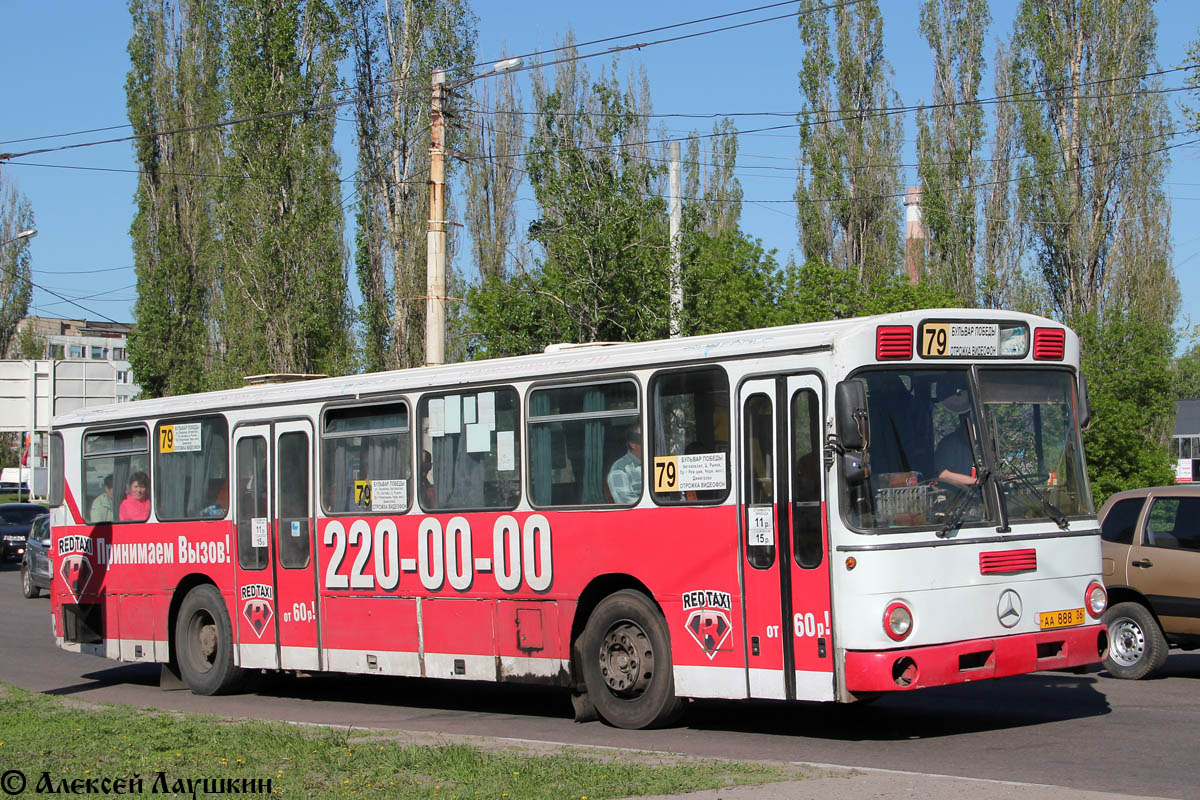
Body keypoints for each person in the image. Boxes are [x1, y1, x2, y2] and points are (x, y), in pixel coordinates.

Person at [933, 380, 978, 488]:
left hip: (966, 494)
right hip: (950, 498)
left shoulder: (971, 445)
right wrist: (976, 482)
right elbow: (943, 474)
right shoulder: (949, 444)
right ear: (965, 423)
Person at [606, 425, 642, 504]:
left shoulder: (653, 464)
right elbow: (626, 502)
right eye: (645, 438)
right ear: (632, 443)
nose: (650, 442)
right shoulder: (620, 470)